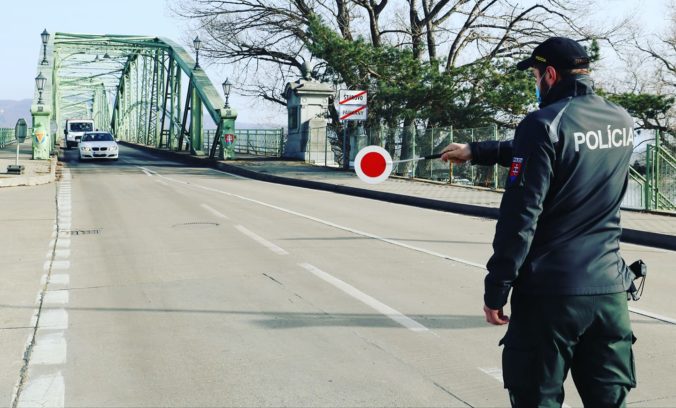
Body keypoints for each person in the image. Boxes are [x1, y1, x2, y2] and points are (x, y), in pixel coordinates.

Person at [441, 37, 637, 407]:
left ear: (550, 74)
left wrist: (497, 289)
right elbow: (557, 152)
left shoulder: (542, 123)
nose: (535, 84)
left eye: (534, 75)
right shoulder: (621, 120)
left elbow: (520, 218)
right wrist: (476, 151)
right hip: (610, 292)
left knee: (537, 399)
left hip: (550, 296)